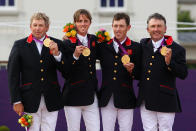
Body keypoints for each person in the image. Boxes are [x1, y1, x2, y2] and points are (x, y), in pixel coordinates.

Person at [8, 12, 64, 131]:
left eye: (40, 25)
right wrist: (16, 100)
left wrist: (57, 54)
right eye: (35, 25)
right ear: (30, 27)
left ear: (47, 27)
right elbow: (13, 75)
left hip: (52, 97)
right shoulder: (19, 45)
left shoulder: (57, 43)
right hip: (29, 99)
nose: (37, 28)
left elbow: (65, 70)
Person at [137, 13, 188, 131]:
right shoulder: (143, 45)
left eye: (159, 26)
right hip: (146, 98)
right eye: (153, 26)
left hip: (165, 99)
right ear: (148, 29)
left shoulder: (177, 49)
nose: (156, 29)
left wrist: (169, 62)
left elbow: (183, 74)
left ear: (165, 29)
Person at [97, 13, 141, 131]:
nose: (118, 29)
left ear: (128, 27)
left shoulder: (136, 47)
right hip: (107, 97)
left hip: (126, 97)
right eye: (115, 26)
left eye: (121, 26)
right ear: (112, 26)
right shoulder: (102, 46)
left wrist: (133, 70)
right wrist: (70, 40)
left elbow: (140, 73)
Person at [60, 9, 100, 131]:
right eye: (79, 21)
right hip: (72, 95)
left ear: (90, 23)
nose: (83, 24)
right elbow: (65, 71)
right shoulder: (67, 43)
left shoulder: (94, 40)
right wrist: (75, 55)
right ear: (75, 23)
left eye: (86, 21)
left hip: (90, 95)